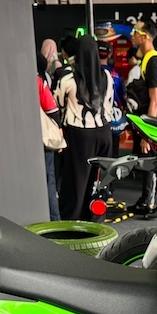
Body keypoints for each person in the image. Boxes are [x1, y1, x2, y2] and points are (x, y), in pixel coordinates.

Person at [54, 35, 114, 221]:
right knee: (99, 178)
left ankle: (72, 219)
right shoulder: (106, 76)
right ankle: (96, 218)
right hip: (104, 131)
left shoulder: (68, 77)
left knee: (76, 180)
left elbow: (57, 103)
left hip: (79, 133)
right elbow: (110, 102)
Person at [130, 21, 157, 220]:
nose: (132, 35)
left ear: (144, 36)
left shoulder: (153, 60)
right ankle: (146, 200)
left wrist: (148, 134)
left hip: (156, 119)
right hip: (149, 117)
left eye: (135, 32)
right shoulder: (147, 58)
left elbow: (155, 100)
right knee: (147, 161)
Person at [37, 52, 61, 222]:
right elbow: (52, 110)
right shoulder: (38, 82)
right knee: (49, 180)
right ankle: (54, 219)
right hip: (43, 139)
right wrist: (58, 130)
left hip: (17, 142)